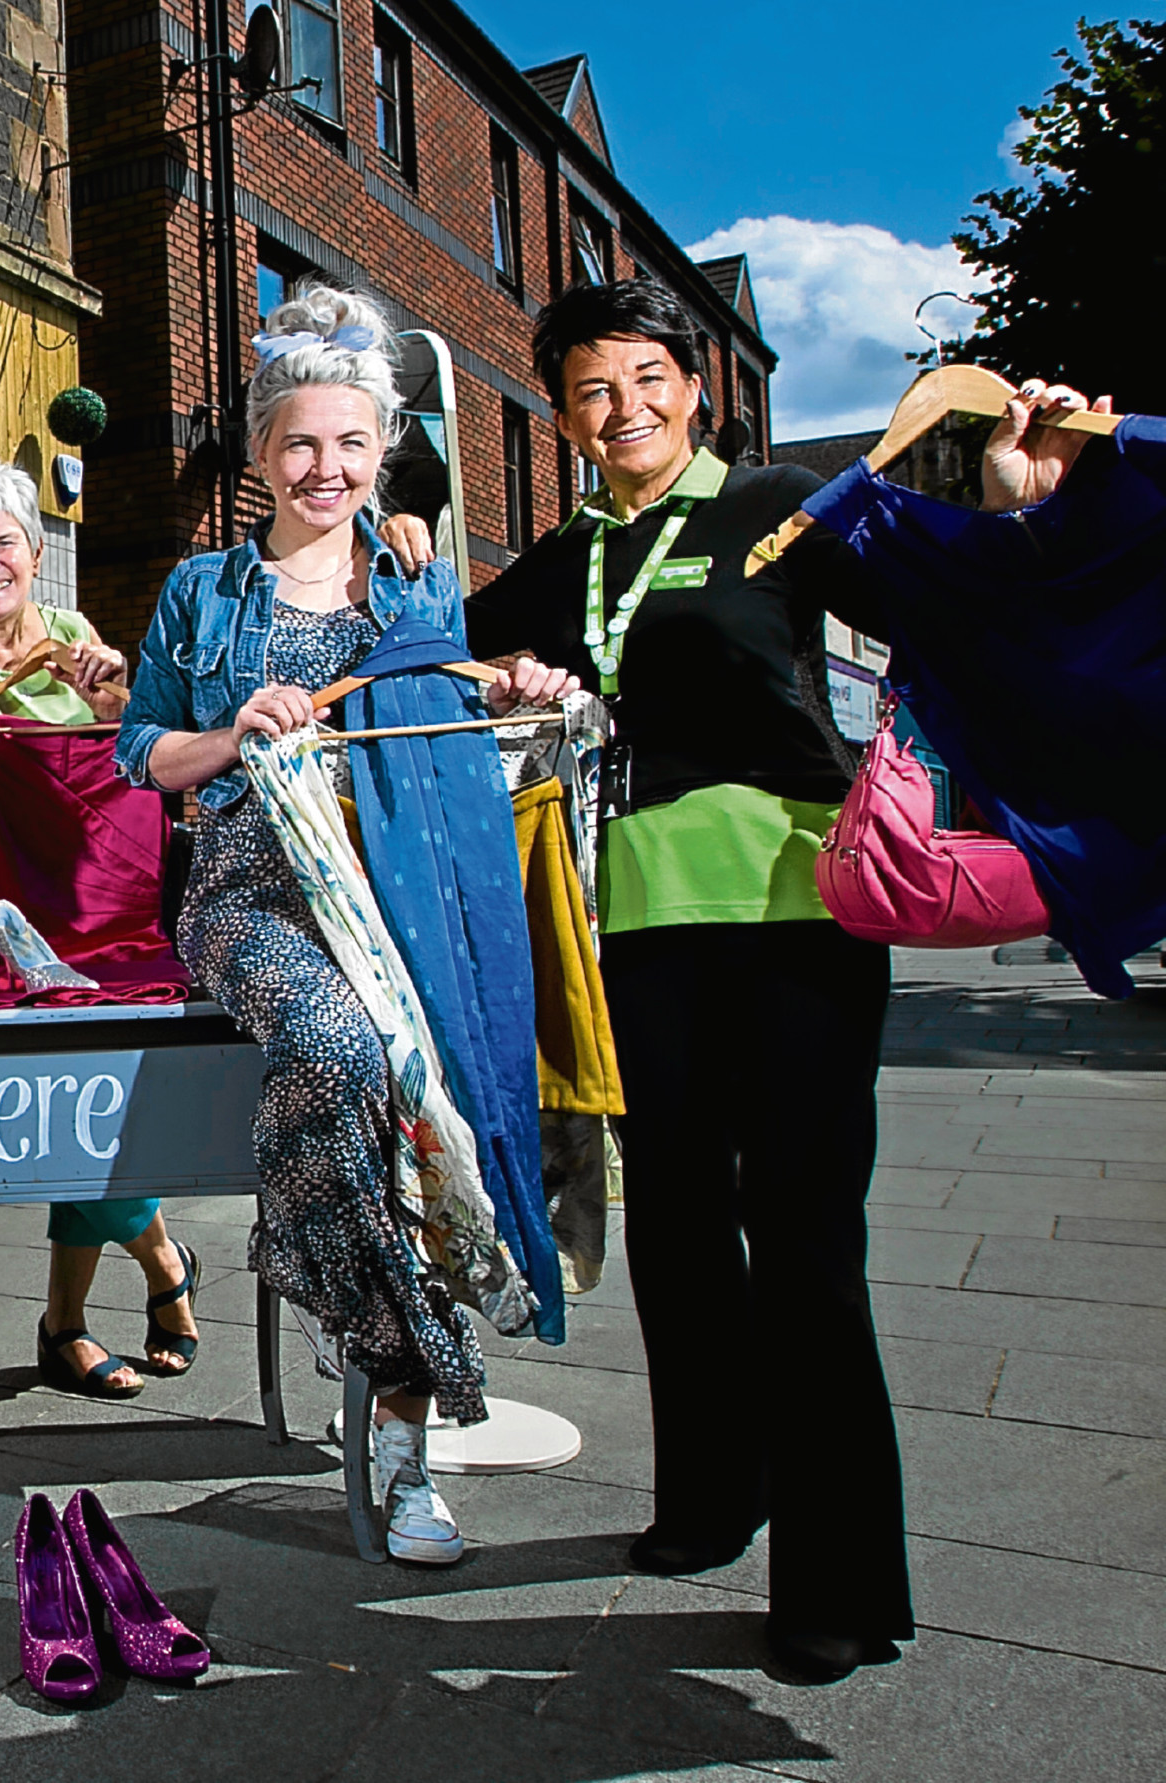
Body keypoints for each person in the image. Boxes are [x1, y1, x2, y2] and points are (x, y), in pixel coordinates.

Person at [386, 278, 1097, 1670]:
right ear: (566, 416)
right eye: (592, 390)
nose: (623, 408)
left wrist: (1019, 492)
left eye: (646, 378)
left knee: (808, 1239)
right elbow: (431, 645)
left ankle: (839, 1583)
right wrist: (403, 556)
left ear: (693, 386)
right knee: (680, 1234)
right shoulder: (573, 550)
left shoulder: (776, 502)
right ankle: (715, 1494)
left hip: (795, 908)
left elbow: (931, 576)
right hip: (640, 926)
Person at [116, 285, 570, 1562]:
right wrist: (232, 730)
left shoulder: (414, 585)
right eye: (301, 443)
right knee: (343, 1053)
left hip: (391, 898)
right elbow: (138, 751)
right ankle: (394, 1372)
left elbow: (459, 722)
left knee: (421, 1110)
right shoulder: (203, 593)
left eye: (353, 444)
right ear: (260, 453)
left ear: (384, 451)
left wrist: (518, 679)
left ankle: (403, 1434)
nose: (327, 467)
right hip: (248, 896)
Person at [0, 456, 200, 1398]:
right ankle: (160, 1266)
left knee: (99, 1114)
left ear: (34, 554)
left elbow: (136, 764)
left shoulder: (73, 634)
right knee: (77, 1115)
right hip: (18, 924)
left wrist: (113, 701)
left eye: (6, 543)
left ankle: (65, 1324)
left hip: (113, 910)